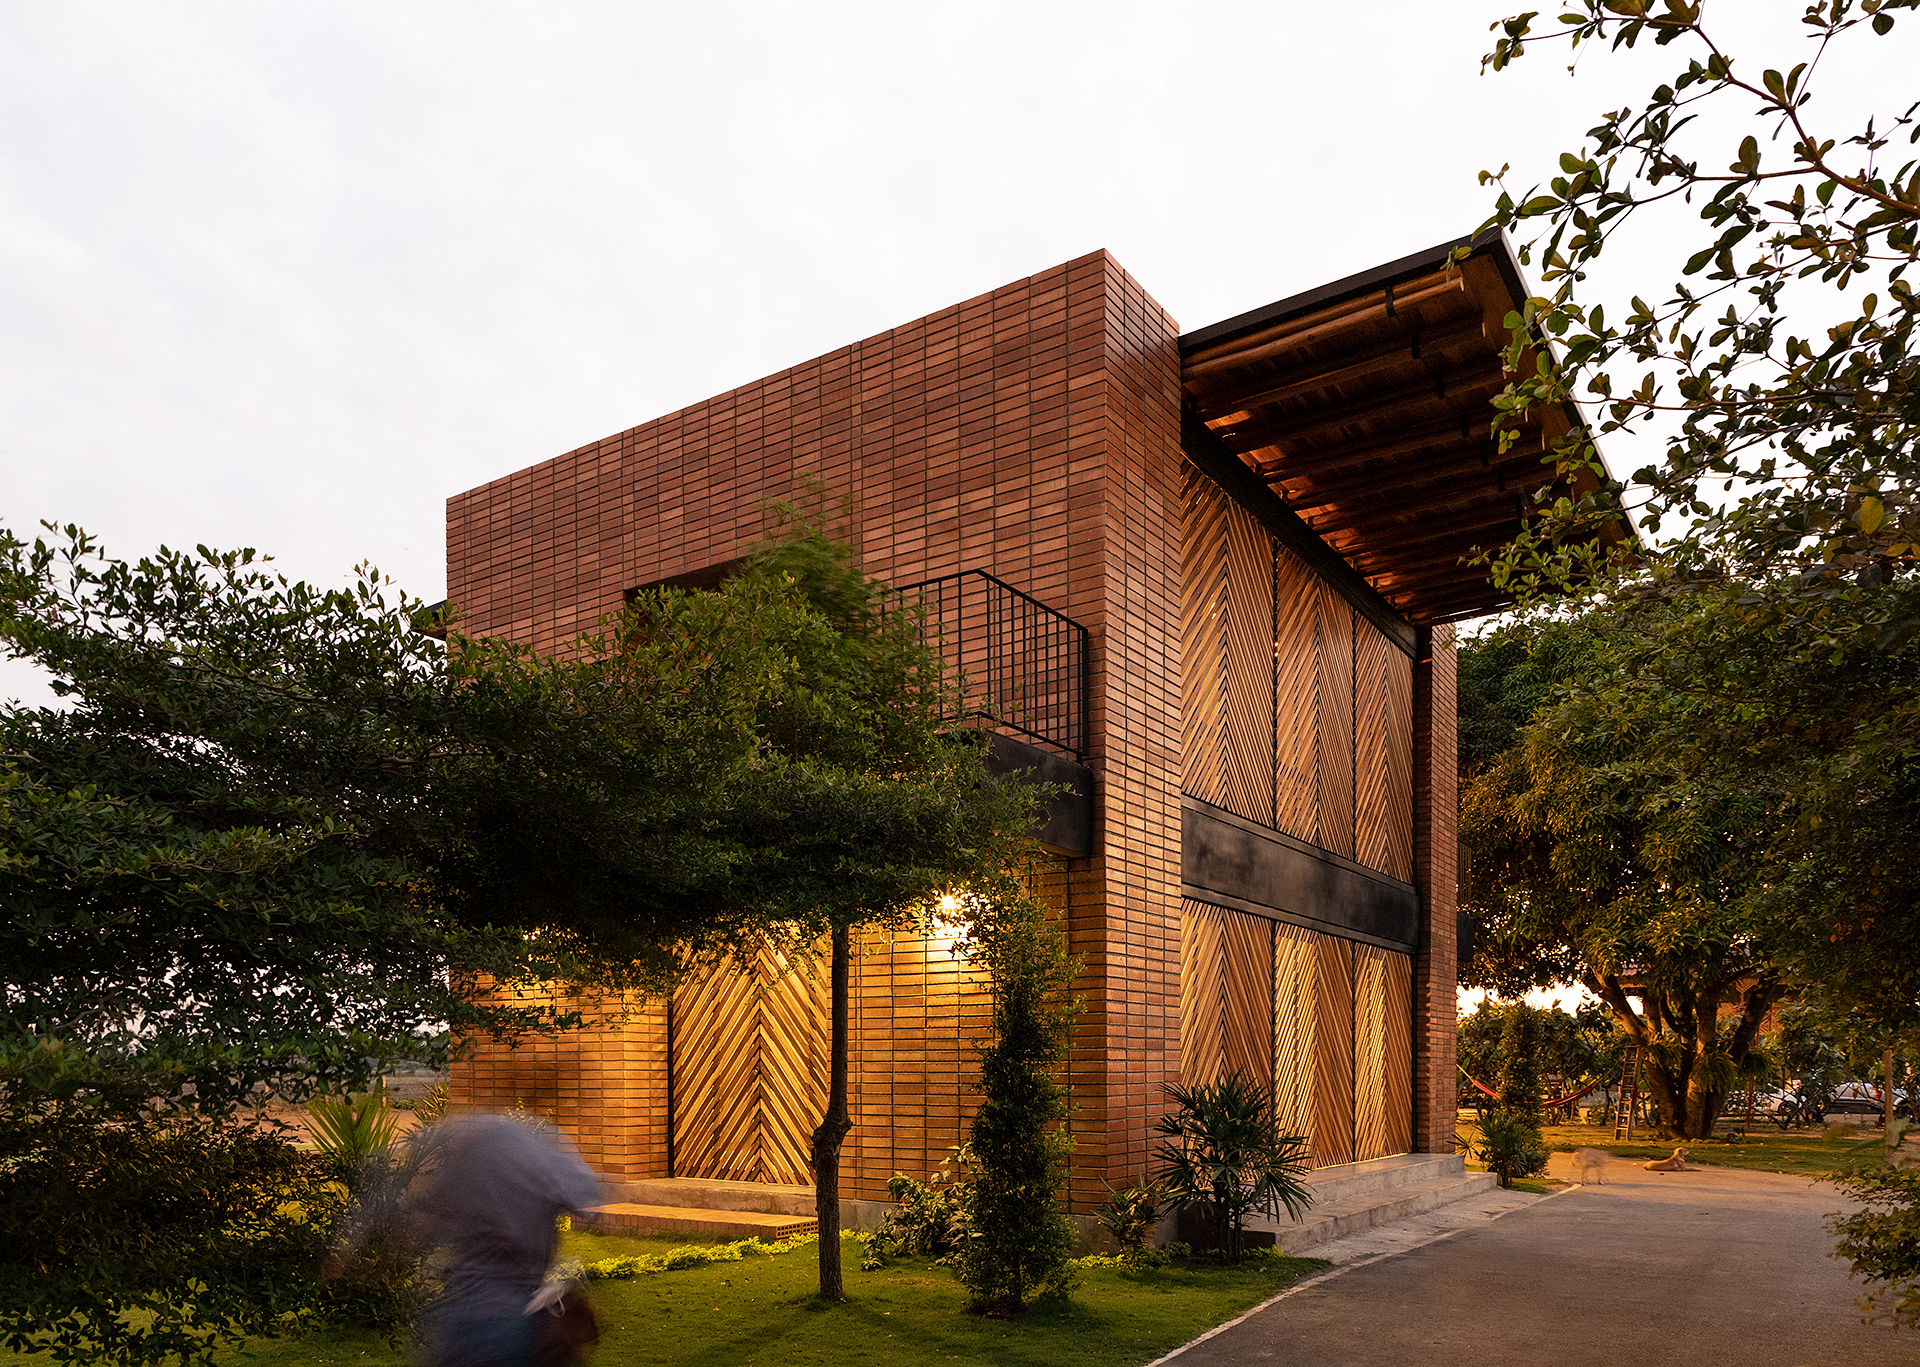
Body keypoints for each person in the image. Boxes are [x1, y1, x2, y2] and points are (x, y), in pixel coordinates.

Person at [406, 1113, 604, 1367]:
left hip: (470, 1311)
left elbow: (436, 1224)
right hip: (518, 1312)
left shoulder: (469, 1160)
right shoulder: (538, 1153)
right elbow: (589, 1200)